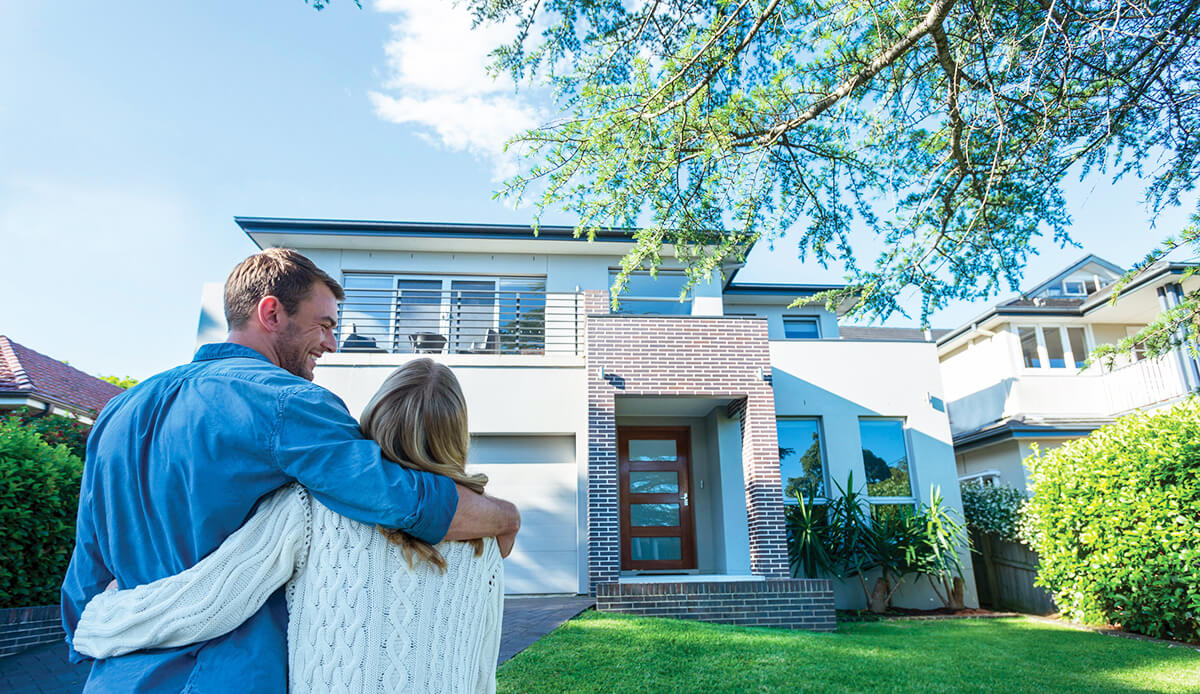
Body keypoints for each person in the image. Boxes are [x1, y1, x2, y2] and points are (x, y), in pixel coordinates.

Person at [61, 249, 519, 693]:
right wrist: (502, 515)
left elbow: (87, 569)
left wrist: (95, 641)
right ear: (272, 313)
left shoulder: (118, 413)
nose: (331, 342)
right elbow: (394, 495)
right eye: (322, 325)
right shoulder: (288, 403)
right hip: (226, 676)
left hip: (114, 677)